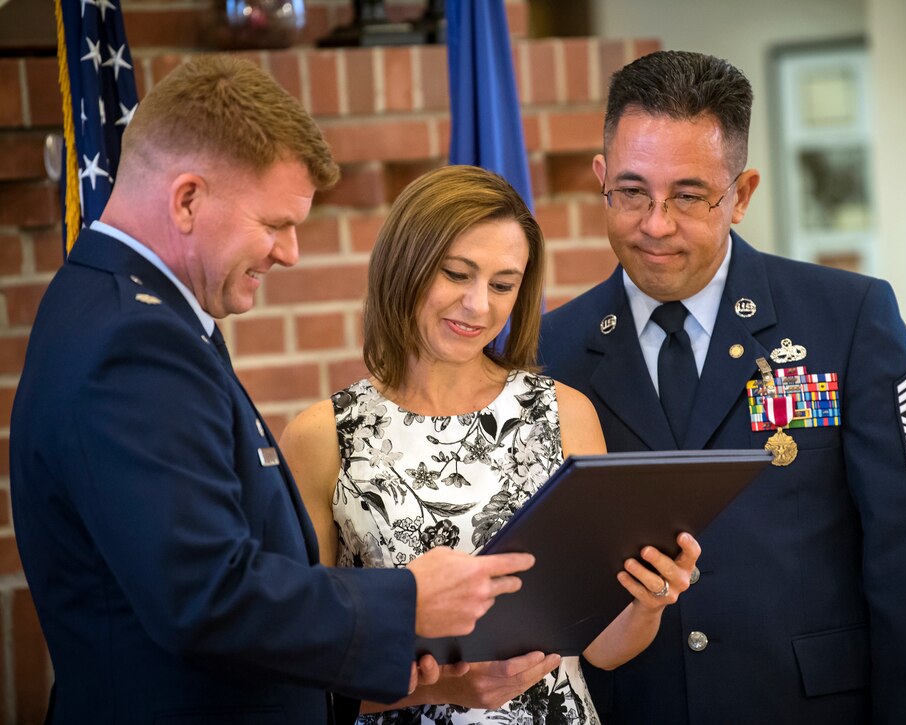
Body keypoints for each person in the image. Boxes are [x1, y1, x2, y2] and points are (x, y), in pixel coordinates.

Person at [9, 56, 538, 724]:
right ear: (187, 198)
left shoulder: (127, 307)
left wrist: (431, 685)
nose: (289, 252)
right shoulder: (135, 342)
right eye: (274, 223)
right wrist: (407, 599)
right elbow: (206, 598)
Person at [538, 50, 906, 724]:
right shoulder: (551, 350)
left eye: (687, 195)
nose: (655, 224)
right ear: (600, 180)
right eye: (631, 192)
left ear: (740, 194)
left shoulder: (848, 318)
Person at [280, 164, 702, 724]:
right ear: (404, 267)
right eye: (457, 274)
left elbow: (601, 646)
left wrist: (649, 602)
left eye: (503, 285)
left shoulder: (564, 413)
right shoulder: (322, 436)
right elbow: (299, 668)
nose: (479, 305)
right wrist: (445, 691)